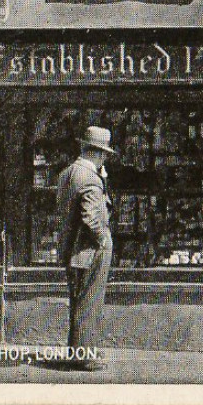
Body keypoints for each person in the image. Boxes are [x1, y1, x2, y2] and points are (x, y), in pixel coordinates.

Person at [55, 125, 116, 370]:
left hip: (72, 250)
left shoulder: (67, 173)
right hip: (90, 249)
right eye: (104, 154)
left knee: (78, 300)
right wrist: (103, 239)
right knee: (90, 300)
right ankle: (85, 356)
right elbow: (92, 217)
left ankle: (77, 351)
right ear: (97, 153)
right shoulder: (91, 178)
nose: (105, 159)